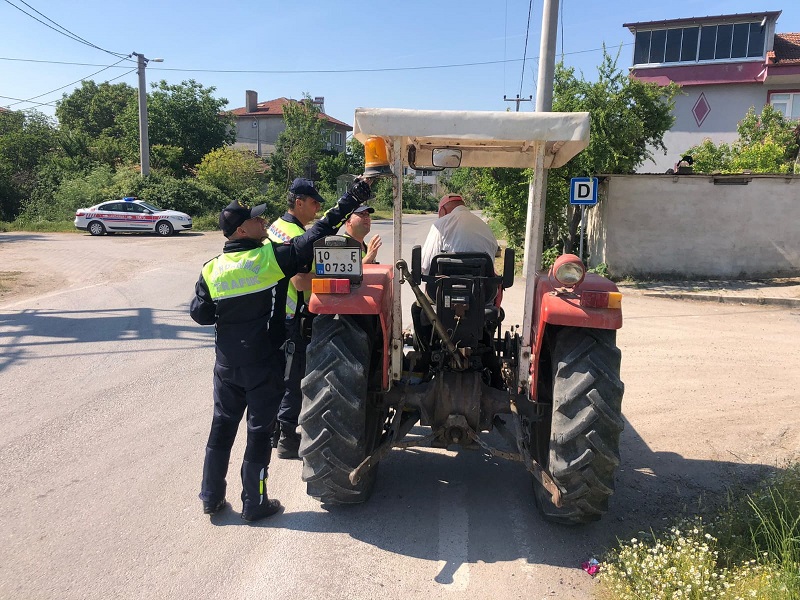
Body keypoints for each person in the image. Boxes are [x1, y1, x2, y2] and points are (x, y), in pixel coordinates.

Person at [189, 179, 372, 522]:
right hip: (264, 363)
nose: (264, 223)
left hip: (226, 366)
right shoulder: (269, 258)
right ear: (242, 229)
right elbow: (319, 231)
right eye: (256, 220)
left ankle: (211, 497)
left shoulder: (211, 268)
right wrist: (351, 199)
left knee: (221, 429)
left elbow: (201, 314)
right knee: (259, 434)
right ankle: (254, 503)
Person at [266, 178, 325, 459]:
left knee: (279, 374)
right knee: (293, 376)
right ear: (298, 202)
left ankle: (274, 430)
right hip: (293, 315)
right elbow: (301, 282)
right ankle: (287, 438)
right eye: (314, 202)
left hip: (275, 313)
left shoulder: (275, 227)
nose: (317, 208)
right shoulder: (294, 235)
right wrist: (329, 280)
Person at [420, 194, 498, 275]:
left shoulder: (440, 224)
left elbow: (426, 265)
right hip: (482, 284)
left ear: (442, 210)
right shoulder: (485, 227)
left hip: (445, 284)